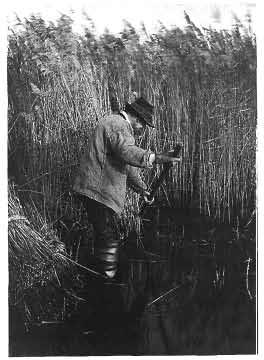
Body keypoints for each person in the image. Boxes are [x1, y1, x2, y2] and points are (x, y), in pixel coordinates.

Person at [73, 97, 180, 280]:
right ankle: (107, 283)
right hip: (97, 191)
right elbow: (127, 152)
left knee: (104, 234)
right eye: (144, 125)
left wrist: (143, 189)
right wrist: (158, 157)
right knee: (109, 236)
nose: (143, 129)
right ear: (137, 119)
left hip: (97, 191)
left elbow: (127, 164)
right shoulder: (117, 124)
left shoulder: (117, 125)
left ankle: (99, 274)